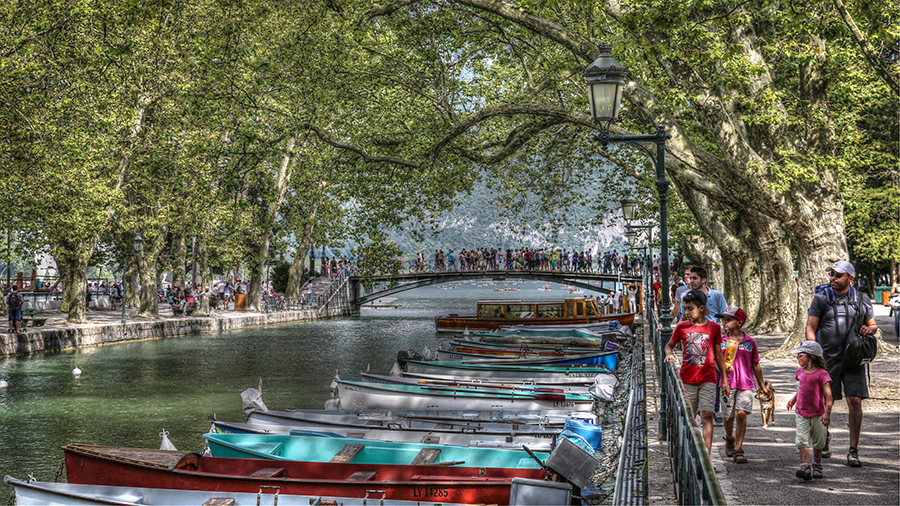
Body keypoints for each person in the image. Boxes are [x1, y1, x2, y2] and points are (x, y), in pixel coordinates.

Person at [804, 260, 876, 466]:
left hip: (853, 360)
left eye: (838, 275)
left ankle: (853, 450)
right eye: (831, 274)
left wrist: (869, 330)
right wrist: (814, 352)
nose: (832, 278)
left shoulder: (862, 299)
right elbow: (810, 327)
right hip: (827, 360)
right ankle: (823, 439)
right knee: (826, 401)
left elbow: (873, 325)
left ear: (850, 279)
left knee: (855, 401)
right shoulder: (821, 298)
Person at [664, 289, 730, 454]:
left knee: (707, 414)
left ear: (701, 308)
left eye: (690, 309)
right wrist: (669, 354)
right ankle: (687, 451)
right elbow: (669, 345)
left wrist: (725, 381)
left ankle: (705, 456)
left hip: (708, 378)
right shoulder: (682, 327)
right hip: (687, 379)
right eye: (685, 309)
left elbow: (719, 355)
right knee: (688, 418)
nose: (687, 312)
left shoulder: (714, 327)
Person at [717, 306, 769, 464]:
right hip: (727, 384)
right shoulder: (721, 341)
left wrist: (762, 385)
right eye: (723, 319)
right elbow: (715, 360)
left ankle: (738, 449)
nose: (724, 322)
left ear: (739, 322)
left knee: (741, 415)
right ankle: (730, 439)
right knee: (727, 418)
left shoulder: (750, 342)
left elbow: (756, 364)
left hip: (746, 383)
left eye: (728, 319)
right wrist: (721, 368)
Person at [786, 340, 833, 480]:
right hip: (801, 412)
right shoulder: (800, 371)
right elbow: (802, 388)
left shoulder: (822, 374)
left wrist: (827, 413)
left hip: (819, 414)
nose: (797, 358)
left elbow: (829, 395)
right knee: (802, 440)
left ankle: (817, 464)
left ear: (811, 356)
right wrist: (794, 399)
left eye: (800, 355)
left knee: (819, 441)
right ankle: (805, 466)